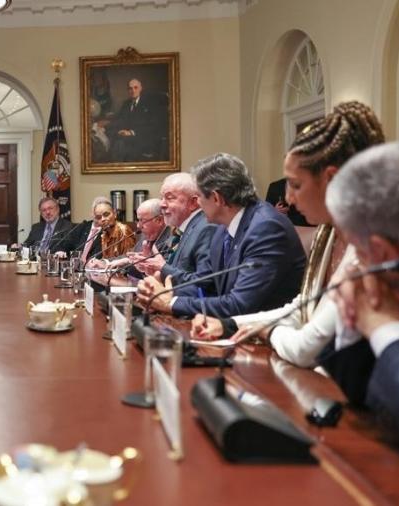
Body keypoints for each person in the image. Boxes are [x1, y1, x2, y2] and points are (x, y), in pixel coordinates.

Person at [191, 101, 385, 368]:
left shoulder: (369, 245)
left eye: (295, 185)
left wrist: (266, 330)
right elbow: (302, 306)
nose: (289, 199)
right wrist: (229, 324)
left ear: (330, 178)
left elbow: (307, 347)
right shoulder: (327, 233)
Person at [321, 141, 399, 468]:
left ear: (382, 254)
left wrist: (386, 329)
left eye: (357, 251)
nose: (355, 265)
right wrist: (353, 324)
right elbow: (367, 395)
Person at [138, 153, 306, 318]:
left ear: (216, 198)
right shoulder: (222, 227)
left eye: (200, 198)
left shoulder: (266, 228)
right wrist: (158, 294)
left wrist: (170, 303)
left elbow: (240, 305)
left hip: (264, 336)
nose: (198, 204)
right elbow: (207, 285)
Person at [138, 173, 216, 290]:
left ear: (193, 203)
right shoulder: (185, 230)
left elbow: (203, 282)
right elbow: (180, 273)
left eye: (169, 198)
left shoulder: (206, 229)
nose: (162, 204)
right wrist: (156, 270)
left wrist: (163, 267)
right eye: (162, 198)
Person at [103, 78, 167, 162]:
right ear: (128, 90)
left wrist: (131, 132)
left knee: (120, 144)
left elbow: (152, 126)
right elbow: (120, 120)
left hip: (143, 138)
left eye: (135, 87)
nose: (133, 91)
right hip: (127, 137)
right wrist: (106, 126)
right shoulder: (126, 104)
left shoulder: (149, 104)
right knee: (112, 138)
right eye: (130, 88)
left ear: (141, 88)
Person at [106, 199, 171, 277]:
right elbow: (130, 257)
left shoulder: (171, 240)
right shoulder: (145, 235)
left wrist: (130, 262)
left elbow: (165, 274)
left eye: (142, 220)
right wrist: (105, 263)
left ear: (159, 220)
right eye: (138, 220)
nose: (138, 226)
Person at [73, 198, 134, 263]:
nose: (103, 219)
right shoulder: (104, 233)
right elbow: (105, 258)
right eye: (98, 217)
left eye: (106, 214)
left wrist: (104, 263)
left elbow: (129, 258)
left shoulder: (123, 230)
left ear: (115, 214)